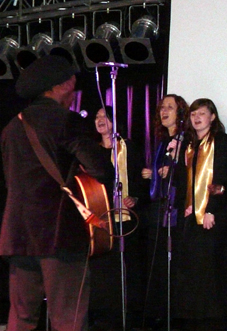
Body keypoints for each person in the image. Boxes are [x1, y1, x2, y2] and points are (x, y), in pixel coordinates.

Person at [1, 55, 112, 331]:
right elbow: (102, 170)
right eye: (72, 87)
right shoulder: (66, 121)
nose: (73, 94)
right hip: (58, 233)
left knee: (22, 317)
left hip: (18, 234)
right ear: (61, 85)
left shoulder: (11, 128)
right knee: (68, 318)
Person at [173, 98, 227, 330]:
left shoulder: (220, 141)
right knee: (192, 266)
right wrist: (187, 203)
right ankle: (193, 314)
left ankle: (215, 316)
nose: (197, 117)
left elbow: (223, 178)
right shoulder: (189, 144)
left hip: (212, 216)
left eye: (202, 113)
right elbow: (184, 180)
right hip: (191, 215)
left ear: (212, 117)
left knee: (212, 266)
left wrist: (212, 209)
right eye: (193, 114)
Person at [89, 106, 148, 330]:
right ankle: (105, 317)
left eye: (105, 116)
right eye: (97, 117)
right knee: (105, 269)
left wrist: (135, 197)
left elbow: (141, 181)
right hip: (102, 220)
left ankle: (131, 317)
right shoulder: (91, 152)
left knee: (130, 267)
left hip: (127, 219)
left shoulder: (129, 147)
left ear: (116, 121)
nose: (100, 120)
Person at [140, 94, 189, 327]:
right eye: (162, 107)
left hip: (177, 209)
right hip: (159, 208)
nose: (164, 111)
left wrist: (171, 172)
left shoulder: (185, 140)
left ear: (180, 112)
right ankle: (158, 311)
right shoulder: (161, 142)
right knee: (157, 260)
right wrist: (152, 175)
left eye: (170, 107)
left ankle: (175, 312)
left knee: (174, 261)